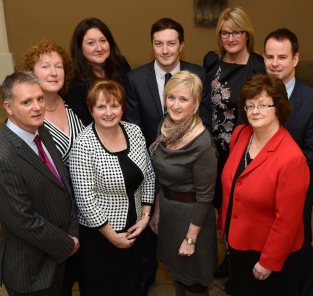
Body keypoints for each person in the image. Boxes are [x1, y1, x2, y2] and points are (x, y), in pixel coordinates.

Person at [123, 17, 211, 295]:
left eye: (171, 43)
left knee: (193, 274)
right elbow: (136, 130)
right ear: (152, 46)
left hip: (190, 189)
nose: (164, 50)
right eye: (158, 44)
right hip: (160, 179)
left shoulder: (199, 74)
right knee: (172, 265)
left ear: (181, 45)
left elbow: (205, 193)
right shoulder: (137, 80)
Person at [0, 71, 79, 296]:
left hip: (58, 258)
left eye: (39, 99)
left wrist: (72, 230)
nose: (37, 107)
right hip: (32, 272)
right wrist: (67, 244)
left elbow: (63, 184)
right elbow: (23, 221)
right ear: (8, 107)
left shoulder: (39, 129)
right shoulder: (0, 158)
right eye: (26, 102)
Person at [217, 73, 310, 296]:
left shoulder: (292, 159)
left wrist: (269, 261)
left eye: (262, 105)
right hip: (237, 242)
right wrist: (225, 225)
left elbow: (288, 221)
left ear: (278, 107)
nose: (255, 111)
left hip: (265, 252)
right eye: (249, 106)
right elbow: (234, 186)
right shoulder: (241, 135)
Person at [69, 79, 155, 296]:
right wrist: (111, 235)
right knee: (103, 287)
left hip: (134, 228)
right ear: (91, 110)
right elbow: (85, 198)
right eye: (101, 106)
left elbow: (149, 175)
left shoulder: (134, 132)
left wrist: (145, 216)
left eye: (114, 105)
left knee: (131, 285)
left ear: (122, 108)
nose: (108, 112)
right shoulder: (83, 145)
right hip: (99, 235)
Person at [202, 6, 266, 286]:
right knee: (221, 208)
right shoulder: (211, 63)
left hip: (245, 152)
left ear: (247, 33)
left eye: (236, 31)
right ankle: (228, 256)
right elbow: (204, 105)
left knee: (241, 211)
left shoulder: (259, 66)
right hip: (215, 152)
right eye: (225, 32)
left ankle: (239, 265)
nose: (231, 37)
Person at [263, 28, 313, 296]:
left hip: (294, 191)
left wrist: (274, 180)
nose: (275, 63)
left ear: (295, 59)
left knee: (298, 246)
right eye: (269, 57)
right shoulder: (255, 95)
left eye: (282, 57)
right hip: (258, 192)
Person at [149, 70, 217, 296]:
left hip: (192, 220)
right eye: (171, 97)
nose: (176, 105)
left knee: (194, 284)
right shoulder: (166, 126)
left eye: (183, 99)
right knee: (178, 276)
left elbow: (205, 196)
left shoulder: (202, 144)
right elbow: (162, 178)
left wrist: (190, 238)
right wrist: (158, 211)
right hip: (169, 214)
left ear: (196, 104)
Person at [20, 40, 84, 166]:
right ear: (31, 73)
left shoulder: (74, 100)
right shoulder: (28, 116)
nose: (54, 73)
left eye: (59, 66)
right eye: (45, 66)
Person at [66, 17, 131, 126]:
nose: (99, 48)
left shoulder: (121, 65)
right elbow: (83, 122)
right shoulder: (74, 81)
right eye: (91, 43)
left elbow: (130, 106)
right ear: (80, 47)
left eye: (103, 41)